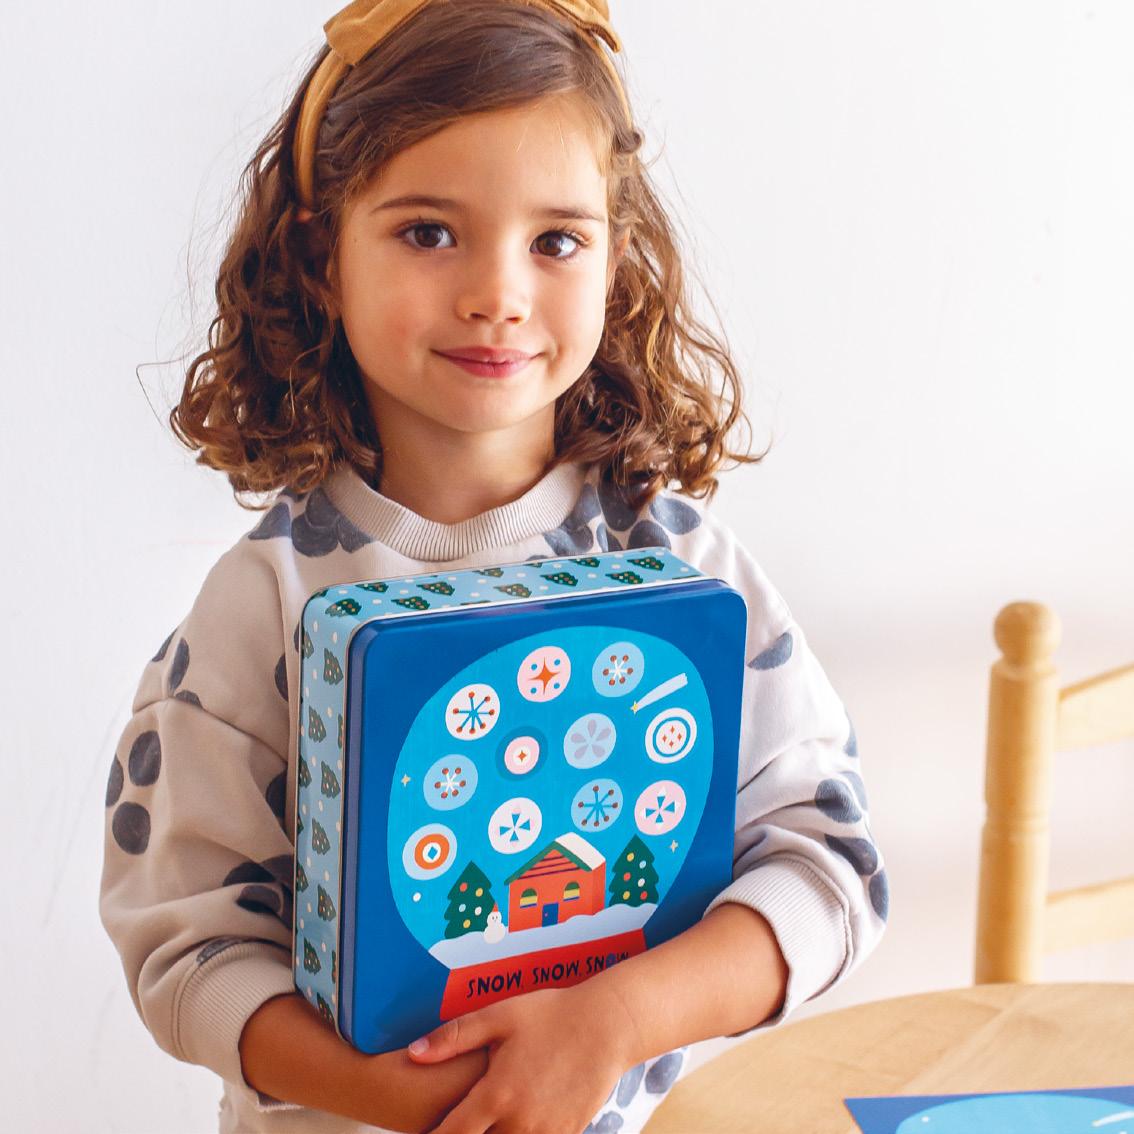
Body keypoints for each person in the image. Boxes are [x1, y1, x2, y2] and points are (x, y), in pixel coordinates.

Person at [99, 1, 889, 1132]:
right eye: (429, 232)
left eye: (555, 240)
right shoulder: (266, 599)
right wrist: (414, 1100)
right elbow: (184, 943)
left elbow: (830, 869)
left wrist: (614, 1022)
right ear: (322, 258)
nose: (498, 295)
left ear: (618, 258)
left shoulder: (685, 566)